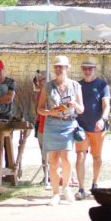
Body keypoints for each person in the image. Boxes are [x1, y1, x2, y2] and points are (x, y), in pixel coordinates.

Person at [36, 55, 84, 206]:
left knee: (68, 159)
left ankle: (66, 188)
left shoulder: (76, 86)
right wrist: (51, 112)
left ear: (67, 67)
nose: (58, 69)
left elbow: (82, 109)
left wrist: (75, 105)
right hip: (52, 124)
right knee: (53, 161)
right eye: (56, 67)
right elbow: (39, 109)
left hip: (68, 124)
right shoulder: (48, 86)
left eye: (61, 66)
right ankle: (55, 193)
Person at [74, 58, 111, 200]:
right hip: (81, 127)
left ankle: (95, 183)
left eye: (90, 68)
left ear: (95, 69)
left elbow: (106, 105)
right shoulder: (77, 85)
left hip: (97, 128)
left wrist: (103, 120)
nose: (87, 71)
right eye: (85, 68)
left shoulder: (102, 84)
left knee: (96, 157)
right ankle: (81, 188)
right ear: (82, 69)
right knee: (80, 155)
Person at [32, 70, 49, 185]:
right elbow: (37, 110)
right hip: (41, 125)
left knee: (51, 154)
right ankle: (46, 176)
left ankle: (54, 176)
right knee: (42, 153)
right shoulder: (39, 94)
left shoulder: (52, 91)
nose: (39, 83)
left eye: (41, 80)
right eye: (38, 80)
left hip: (50, 126)